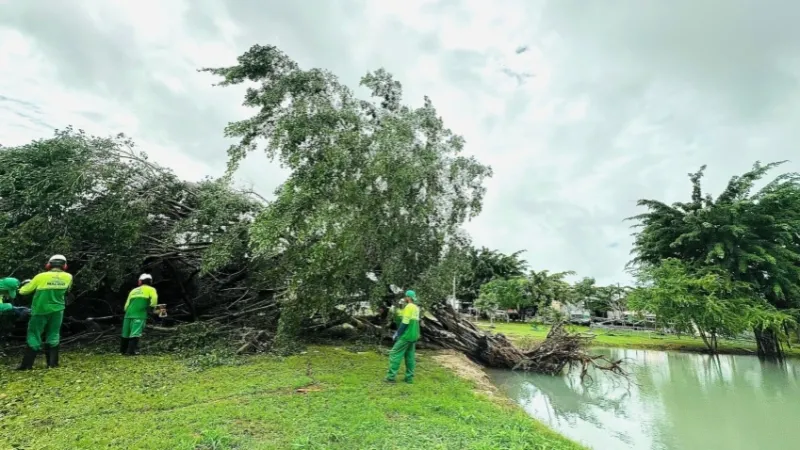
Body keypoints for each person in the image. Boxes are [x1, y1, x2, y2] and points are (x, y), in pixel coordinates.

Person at [17, 255, 73, 370]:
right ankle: (52, 364)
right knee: (54, 334)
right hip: (58, 311)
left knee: (34, 335)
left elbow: (23, 292)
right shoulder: (68, 277)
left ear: (49, 264)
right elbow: (68, 290)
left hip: (39, 311)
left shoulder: (40, 276)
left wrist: (25, 284)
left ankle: (27, 366)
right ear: (64, 265)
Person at [385, 290, 421, 384]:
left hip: (407, 335)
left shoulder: (409, 307)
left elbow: (405, 322)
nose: (405, 298)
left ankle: (390, 378)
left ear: (408, 297)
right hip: (414, 335)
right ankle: (409, 379)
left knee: (394, 353)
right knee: (410, 356)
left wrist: (398, 333)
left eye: (406, 297)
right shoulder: (416, 307)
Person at [120, 273, 158, 356]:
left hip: (128, 314)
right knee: (135, 332)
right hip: (139, 314)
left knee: (125, 333)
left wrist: (127, 311)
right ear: (150, 282)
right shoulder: (151, 289)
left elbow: (126, 305)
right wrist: (151, 308)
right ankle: (130, 352)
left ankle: (123, 351)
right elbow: (154, 300)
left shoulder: (133, 290)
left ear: (140, 281)